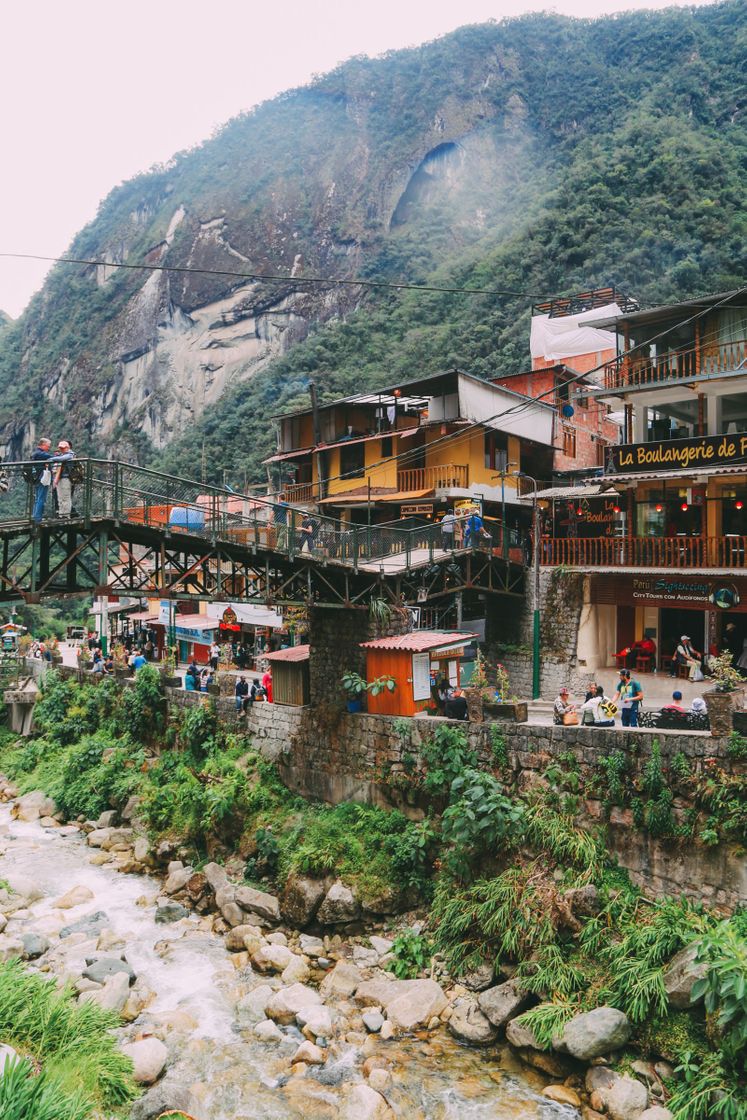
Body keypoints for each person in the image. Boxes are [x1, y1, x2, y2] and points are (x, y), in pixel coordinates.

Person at [30, 437, 53, 523]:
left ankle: (34, 516)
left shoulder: (35, 453)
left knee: (37, 498)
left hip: (36, 478)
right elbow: (53, 457)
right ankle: (38, 519)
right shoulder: (41, 454)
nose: (49, 448)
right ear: (43, 445)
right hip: (42, 479)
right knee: (41, 498)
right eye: (48, 446)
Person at [52, 441, 75, 518]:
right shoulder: (63, 455)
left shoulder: (70, 455)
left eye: (62, 448)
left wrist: (51, 459)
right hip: (60, 478)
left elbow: (61, 459)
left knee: (66, 497)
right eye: (60, 448)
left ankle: (66, 515)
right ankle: (61, 514)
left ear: (67, 447)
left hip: (66, 478)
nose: (61, 449)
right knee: (60, 497)